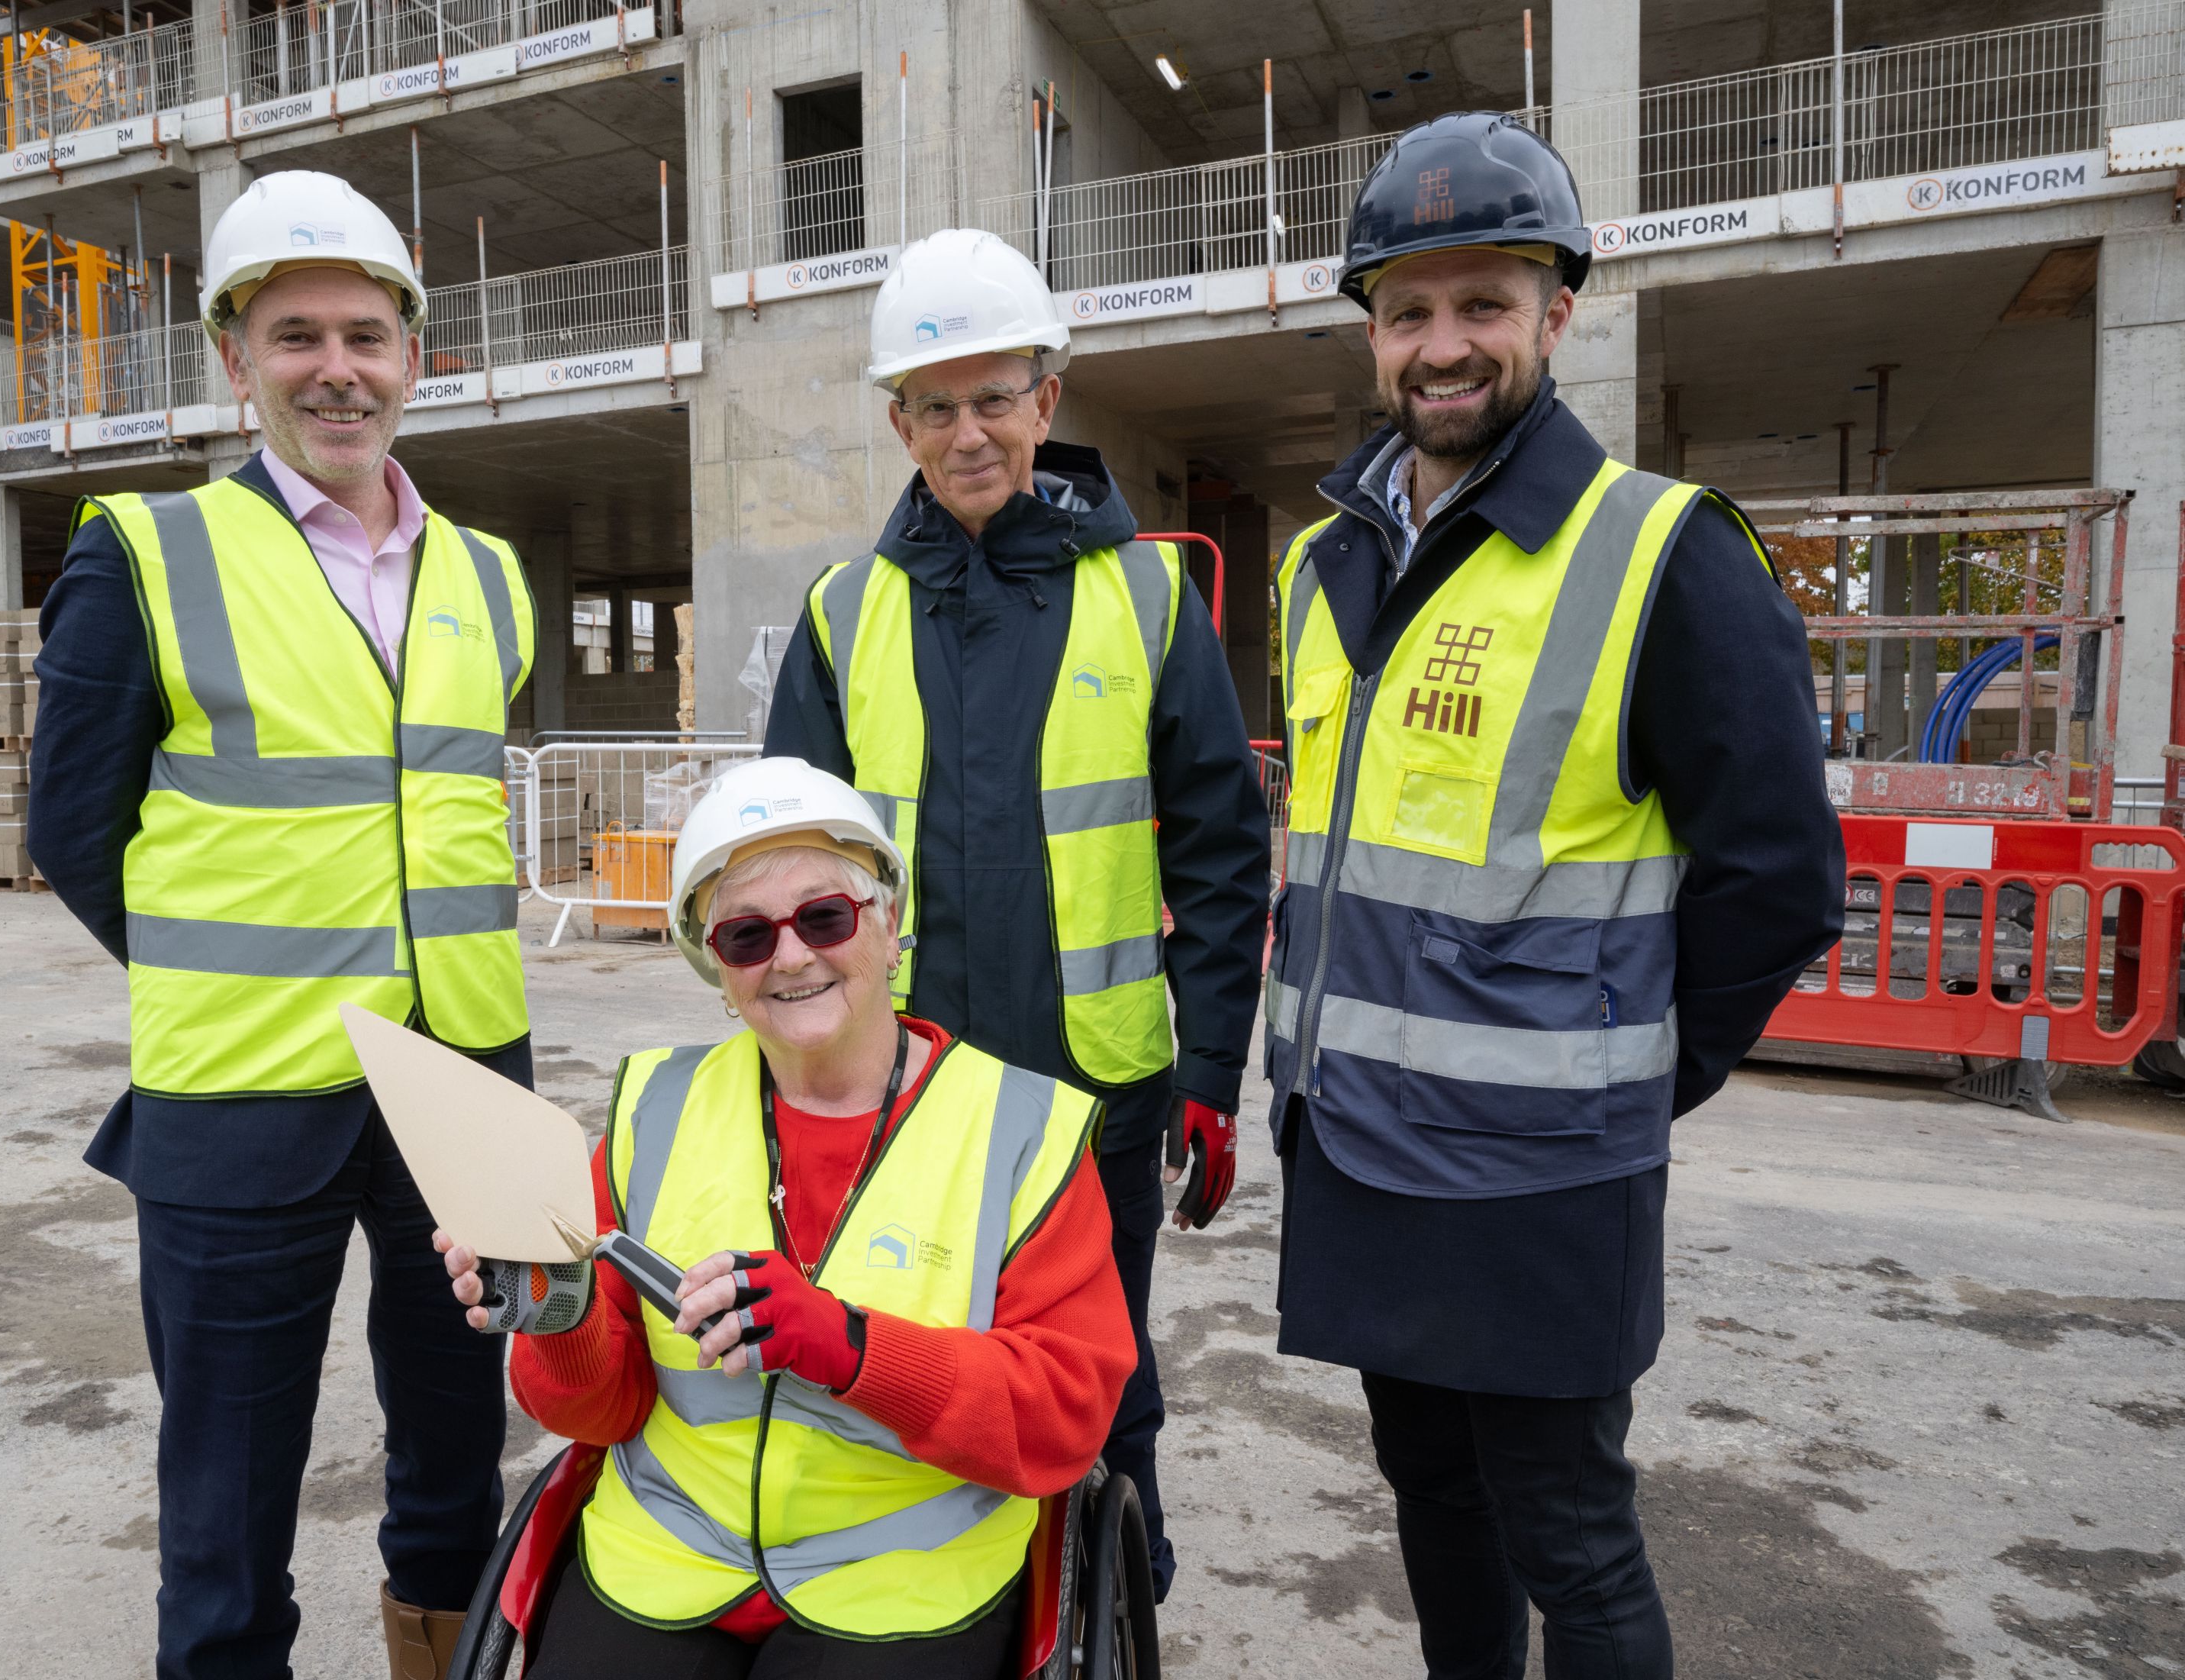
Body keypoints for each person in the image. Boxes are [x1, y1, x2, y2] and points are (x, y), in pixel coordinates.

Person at [1265, 111, 1846, 1678]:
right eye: (1407, 310)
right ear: (1372, 334)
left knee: (1571, 1533)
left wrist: (1633, 1068)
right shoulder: (1327, 563)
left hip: (1535, 1174)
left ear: (1556, 314)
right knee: (1429, 1490)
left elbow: (1780, 874)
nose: (1441, 345)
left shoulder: (1661, 551)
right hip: (1362, 1140)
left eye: (1482, 304)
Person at [28, 169, 541, 1680]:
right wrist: (227, 956)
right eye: (297, 333)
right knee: (228, 1486)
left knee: (457, 1443)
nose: (339, 367)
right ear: (234, 356)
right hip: (239, 1093)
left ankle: (435, 1651)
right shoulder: (146, 551)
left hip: (462, 1088)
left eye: (368, 335)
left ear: (414, 356)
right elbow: (73, 826)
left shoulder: (487, 576)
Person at [760, 227, 1269, 1603]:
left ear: (1049, 399)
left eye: (996, 396)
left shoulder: (1145, 600)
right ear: (898, 421)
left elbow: (1224, 857)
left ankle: (1114, 1597)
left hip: (1094, 1090)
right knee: (908, 1360)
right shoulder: (842, 612)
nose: (969, 431)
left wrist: (1213, 1071)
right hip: (901, 1092)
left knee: (1103, 1373)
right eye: (937, 403)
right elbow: (781, 884)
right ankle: (940, 1606)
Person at [434, 756, 1135, 1676]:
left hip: (901, 1575)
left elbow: (1063, 1418)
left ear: (888, 927)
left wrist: (848, 1345)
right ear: (717, 970)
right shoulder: (654, 1107)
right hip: (669, 1555)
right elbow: (601, 1411)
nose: (792, 954)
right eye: (747, 936)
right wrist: (556, 1317)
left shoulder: (1021, 1129)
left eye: (824, 917)